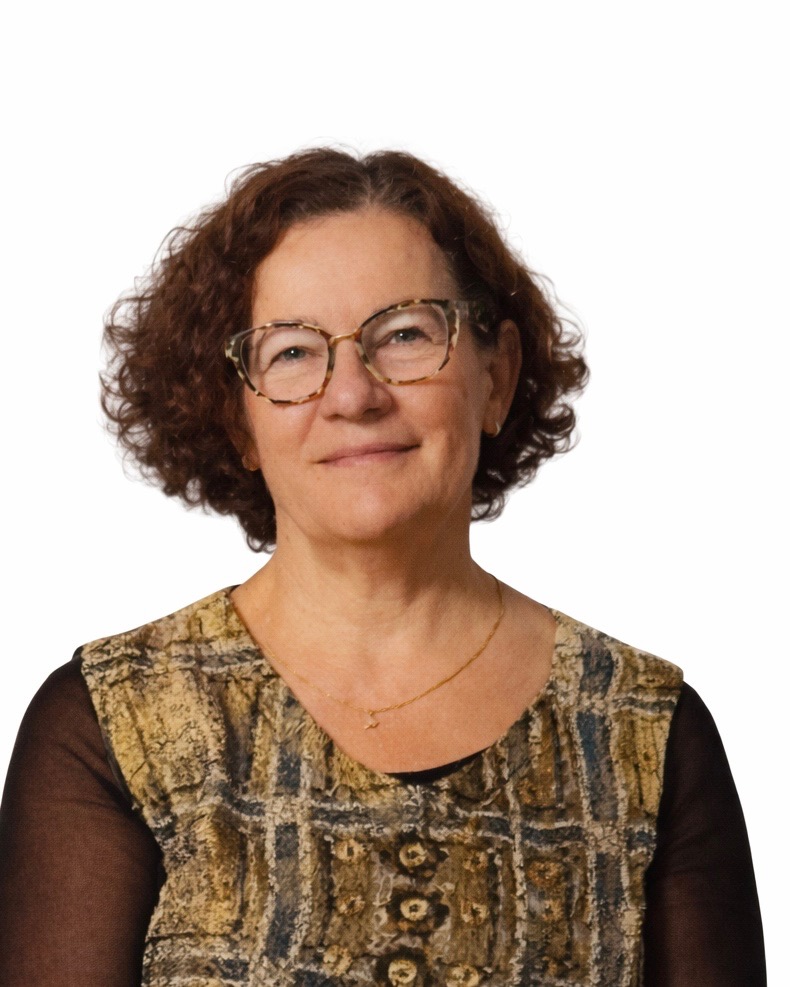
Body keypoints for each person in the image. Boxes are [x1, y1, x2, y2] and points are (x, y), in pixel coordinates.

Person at [0, 148, 765, 986]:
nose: (353, 394)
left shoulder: (645, 730)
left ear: (497, 376)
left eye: (404, 335)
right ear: (238, 417)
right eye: (293, 352)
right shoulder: (112, 727)